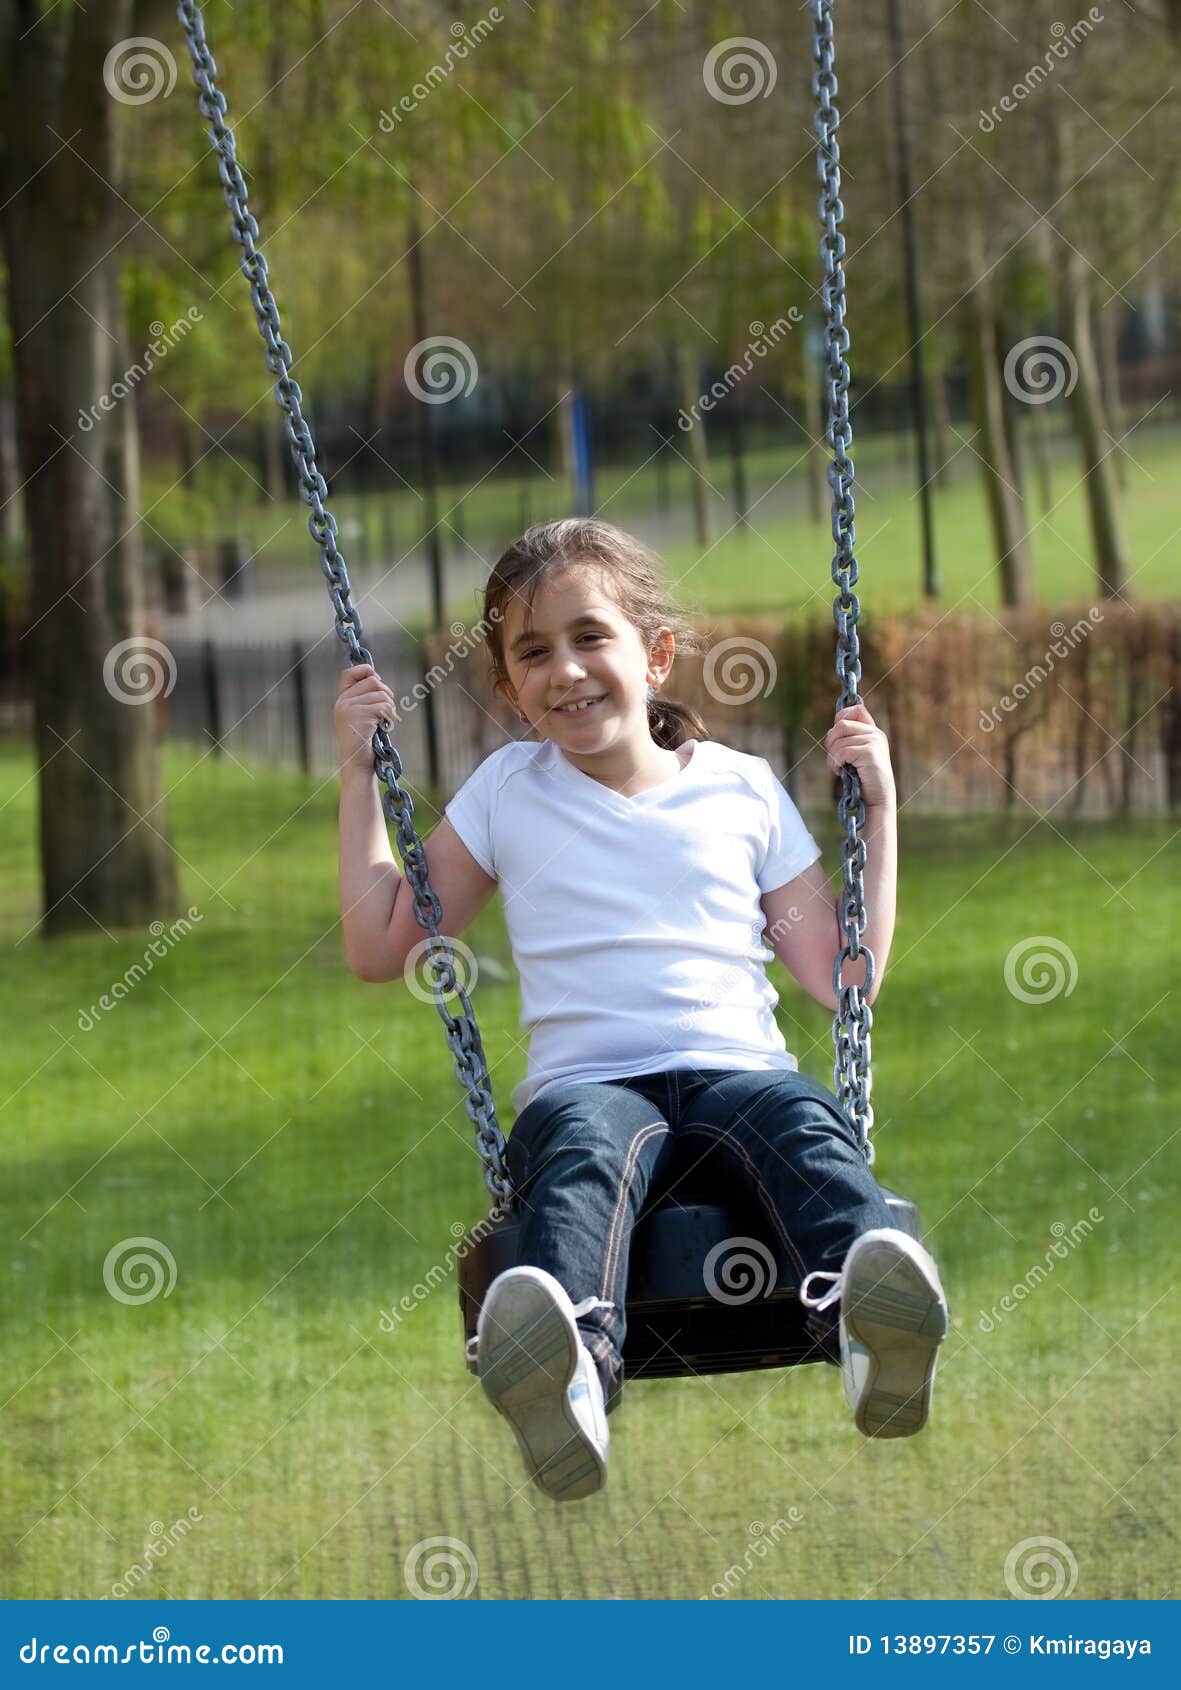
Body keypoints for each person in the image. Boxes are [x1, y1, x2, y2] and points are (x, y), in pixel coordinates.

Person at [335, 518, 948, 1504]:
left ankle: (875, 1329)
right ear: (508, 688)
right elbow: (380, 943)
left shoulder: (741, 791)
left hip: (737, 1076)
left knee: (802, 1121)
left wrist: (877, 814)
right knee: (580, 1148)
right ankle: (568, 1377)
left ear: (655, 655)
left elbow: (844, 976)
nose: (565, 670)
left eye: (590, 637)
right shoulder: (504, 793)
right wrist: (357, 772)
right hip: (589, 1086)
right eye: (532, 652)